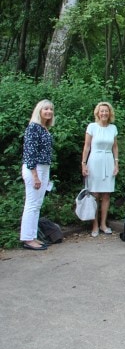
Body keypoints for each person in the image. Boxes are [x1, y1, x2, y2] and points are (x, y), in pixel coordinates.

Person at [20, 100, 55, 251]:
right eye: (45, 109)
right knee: (32, 204)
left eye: (51, 109)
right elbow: (30, 153)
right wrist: (35, 175)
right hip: (35, 169)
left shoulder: (44, 128)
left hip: (44, 168)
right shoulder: (33, 128)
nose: (49, 111)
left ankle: (33, 236)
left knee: (37, 204)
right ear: (39, 111)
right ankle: (27, 239)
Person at [81, 102, 119, 237]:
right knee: (94, 194)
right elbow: (86, 146)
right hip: (94, 160)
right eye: (101, 111)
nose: (104, 113)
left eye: (106, 111)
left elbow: (115, 147)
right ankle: (94, 225)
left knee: (106, 194)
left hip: (108, 160)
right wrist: (83, 163)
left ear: (109, 113)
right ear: (98, 113)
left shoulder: (113, 128)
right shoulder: (92, 127)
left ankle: (103, 224)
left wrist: (116, 163)